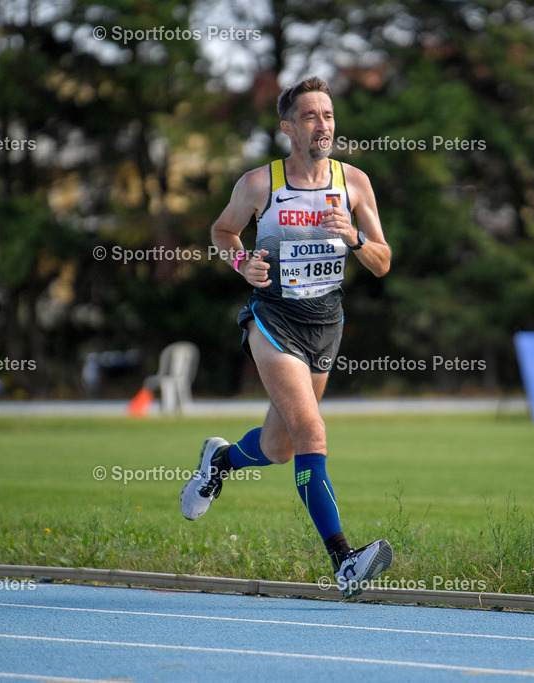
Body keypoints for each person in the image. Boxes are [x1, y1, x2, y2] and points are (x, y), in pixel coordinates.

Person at [180, 76, 393, 599]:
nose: (323, 125)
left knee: (278, 448)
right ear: (288, 129)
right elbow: (222, 231)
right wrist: (241, 262)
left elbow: (383, 262)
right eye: (310, 117)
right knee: (312, 434)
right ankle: (345, 562)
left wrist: (355, 237)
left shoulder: (355, 183)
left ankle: (220, 461)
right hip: (272, 318)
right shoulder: (260, 184)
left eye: (328, 115)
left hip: (327, 322)